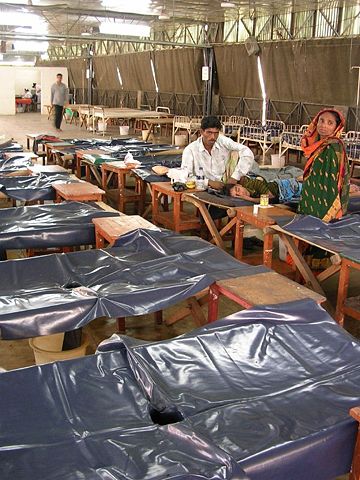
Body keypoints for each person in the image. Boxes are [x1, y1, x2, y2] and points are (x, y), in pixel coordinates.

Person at [298, 108, 349, 222]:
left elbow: (330, 180)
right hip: (311, 192)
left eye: (330, 123)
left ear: (337, 127)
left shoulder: (333, 147)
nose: (324, 125)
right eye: (321, 121)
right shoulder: (317, 145)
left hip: (326, 196)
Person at [181, 116, 254, 190]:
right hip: (202, 188)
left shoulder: (223, 141)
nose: (213, 137)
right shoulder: (190, 150)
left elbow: (246, 152)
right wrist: (208, 182)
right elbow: (185, 177)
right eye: (209, 132)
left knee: (236, 153)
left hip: (226, 185)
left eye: (216, 133)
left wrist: (235, 177)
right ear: (201, 132)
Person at [230, 175, 302, 203]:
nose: (241, 194)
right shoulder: (243, 201)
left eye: (238, 190)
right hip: (285, 198)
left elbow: (270, 197)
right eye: (237, 195)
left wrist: (250, 199)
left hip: (286, 188)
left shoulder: (254, 183)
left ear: (239, 185)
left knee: (310, 192)